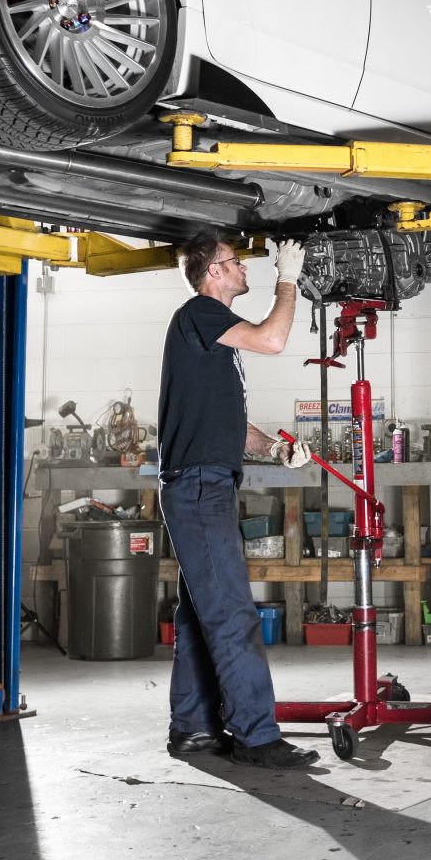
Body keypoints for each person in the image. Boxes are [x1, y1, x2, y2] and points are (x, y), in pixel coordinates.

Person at [157, 231, 319, 769]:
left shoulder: (211, 333)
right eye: (236, 261)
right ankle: (256, 737)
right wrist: (288, 279)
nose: (244, 267)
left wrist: (273, 447)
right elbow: (272, 340)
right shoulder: (202, 312)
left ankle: (194, 729)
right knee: (230, 613)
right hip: (200, 486)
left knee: (200, 613)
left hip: (203, 484)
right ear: (214, 273)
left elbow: (227, 422)